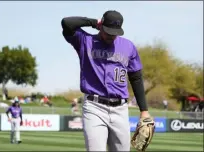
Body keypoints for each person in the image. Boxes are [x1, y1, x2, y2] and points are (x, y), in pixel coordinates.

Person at [61, 10, 153, 151]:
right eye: (108, 31)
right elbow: (67, 23)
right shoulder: (85, 41)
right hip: (94, 107)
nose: (111, 35)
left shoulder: (128, 47)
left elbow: (136, 78)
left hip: (121, 109)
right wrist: (93, 22)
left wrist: (144, 111)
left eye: (114, 32)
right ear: (101, 26)